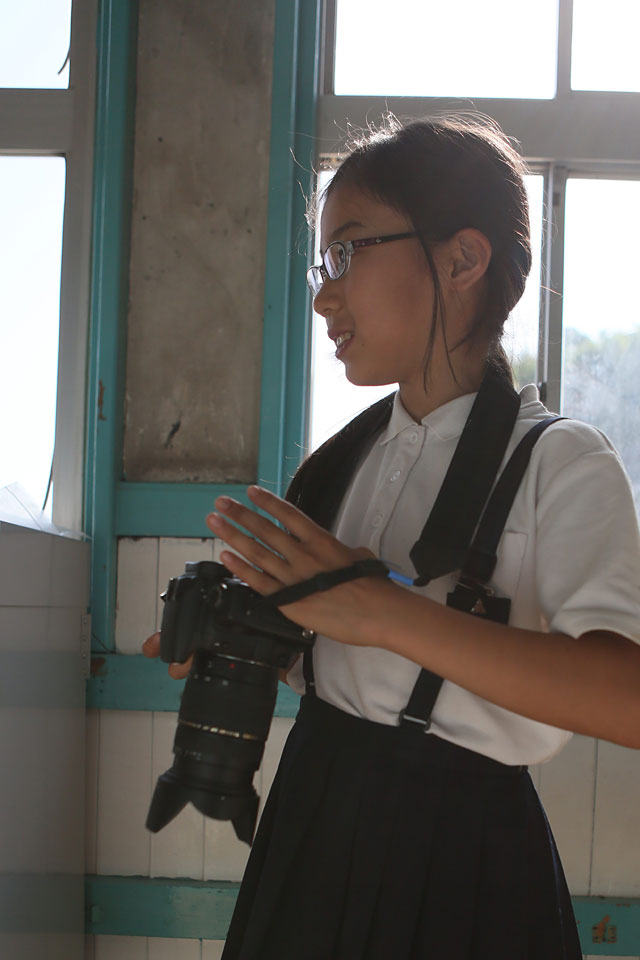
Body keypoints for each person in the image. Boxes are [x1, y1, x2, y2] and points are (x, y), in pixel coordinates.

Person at [144, 115, 640, 959]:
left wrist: (384, 612)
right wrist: (245, 641)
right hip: (312, 818)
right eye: (322, 265)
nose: (322, 296)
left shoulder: (562, 460)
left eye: (346, 254)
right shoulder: (345, 460)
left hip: (462, 860)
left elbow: (624, 699)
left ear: (462, 258)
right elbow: (342, 657)